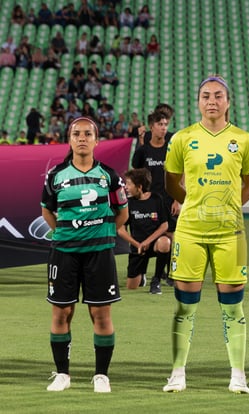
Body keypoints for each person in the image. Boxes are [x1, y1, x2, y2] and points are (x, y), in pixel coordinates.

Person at [162, 75, 249, 393]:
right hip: (190, 230)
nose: (212, 101)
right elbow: (170, 181)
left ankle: (238, 376)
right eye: (206, 96)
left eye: (218, 96)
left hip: (230, 233)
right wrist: (192, 203)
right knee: (184, 305)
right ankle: (177, 373)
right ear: (198, 101)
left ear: (228, 102)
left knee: (233, 306)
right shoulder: (182, 138)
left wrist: (228, 206)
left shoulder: (244, 140)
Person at [41, 117, 128, 393]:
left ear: (96, 140)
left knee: (100, 314)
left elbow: (122, 213)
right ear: (69, 140)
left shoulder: (110, 176)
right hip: (64, 253)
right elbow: (47, 210)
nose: (81, 138)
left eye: (87, 134)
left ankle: (101, 375)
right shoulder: (56, 175)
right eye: (76, 134)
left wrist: (101, 234)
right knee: (61, 313)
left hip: (99, 254)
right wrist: (65, 233)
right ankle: (63, 375)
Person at [132, 110, 180, 294]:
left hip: (168, 201)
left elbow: (178, 174)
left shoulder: (171, 148)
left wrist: (177, 198)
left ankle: (163, 276)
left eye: (166, 124)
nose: (163, 128)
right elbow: (136, 173)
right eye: (160, 124)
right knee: (146, 237)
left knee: (171, 239)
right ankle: (142, 272)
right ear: (152, 127)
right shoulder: (143, 150)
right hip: (150, 203)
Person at [118, 168, 170, 290]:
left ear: (139, 187)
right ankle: (142, 276)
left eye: (129, 184)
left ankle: (156, 280)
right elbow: (121, 230)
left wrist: (147, 242)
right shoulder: (128, 203)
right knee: (131, 288)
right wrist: (137, 244)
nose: (126, 187)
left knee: (165, 242)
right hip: (137, 247)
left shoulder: (157, 199)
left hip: (154, 244)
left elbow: (164, 225)